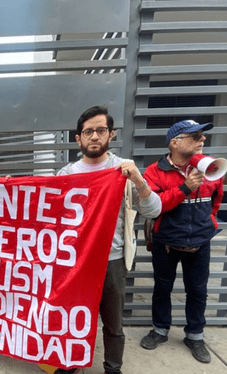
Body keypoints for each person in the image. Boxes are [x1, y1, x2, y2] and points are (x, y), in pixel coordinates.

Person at [55, 106, 161, 374]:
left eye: (100, 130)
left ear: (110, 134)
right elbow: (45, 213)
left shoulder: (124, 171)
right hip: (76, 262)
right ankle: (70, 364)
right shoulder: (66, 175)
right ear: (78, 138)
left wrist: (137, 178)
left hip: (112, 260)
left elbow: (154, 210)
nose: (94, 136)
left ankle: (113, 368)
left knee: (113, 323)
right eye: (88, 131)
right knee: (72, 319)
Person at [140, 119, 224, 364]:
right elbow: (155, 207)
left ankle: (195, 335)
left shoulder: (210, 167)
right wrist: (185, 187)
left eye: (203, 135)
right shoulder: (154, 171)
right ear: (175, 142)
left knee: (198, 291)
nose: (202, 139)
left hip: (200, 241)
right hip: (166, 241)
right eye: (195, 135)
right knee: (162, 287)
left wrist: (209, 222)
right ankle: (160, 330)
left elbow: (217, 199)